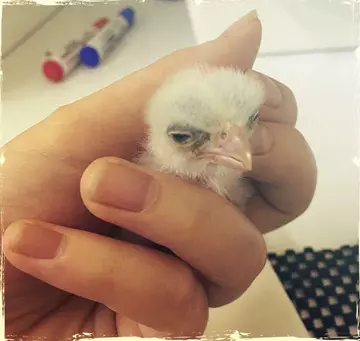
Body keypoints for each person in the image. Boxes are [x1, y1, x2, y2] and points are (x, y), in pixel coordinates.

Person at [2, 11, 317, 340]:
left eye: (249, 121)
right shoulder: (133, 169)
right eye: (184, 136)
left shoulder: (222, 181)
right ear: (159, 136)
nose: (238, 145)